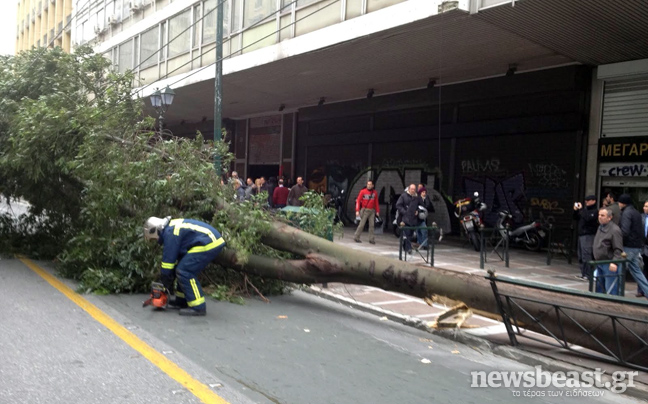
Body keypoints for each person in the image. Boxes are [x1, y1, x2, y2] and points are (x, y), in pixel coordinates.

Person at [143, 217, 226, 316]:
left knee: (185, 271)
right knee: (181, 267)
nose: (155, 241)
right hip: (207, 240)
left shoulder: (170, 233)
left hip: (209, 241)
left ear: (155, 230)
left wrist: (164, 282)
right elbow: (172, 263)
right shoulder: (170, 229)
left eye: (153, 238)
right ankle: (182, 300)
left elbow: (168, 262)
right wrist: (168, 278)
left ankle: (198, 307)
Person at [617, 194, 648, 298]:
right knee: (636, 271)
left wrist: (618, 242)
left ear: (623, 203)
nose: (618, 204)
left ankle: (618, 294)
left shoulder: (627, 213)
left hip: (628, 246)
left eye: (619, 202)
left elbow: (624, 231)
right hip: (636, 246)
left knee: (620, 269)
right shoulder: (636, 212)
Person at [592, 208, 623, 295]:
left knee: (611, 289)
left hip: (608, 262)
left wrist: (614, 262)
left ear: (609, 217)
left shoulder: (614, 230)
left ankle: (612, 306)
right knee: (599, 287)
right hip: (599, 261)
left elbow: (618, 248)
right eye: (599, 215)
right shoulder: (600, 227)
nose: (600, 217)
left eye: (602, 215)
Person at [572, 195, 598, 280]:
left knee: (587, 255)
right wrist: (576, 211)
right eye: (586, 200)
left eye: (588, 200)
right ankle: (583, 273)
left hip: (589, 235)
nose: (586, 202)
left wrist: (581, 210)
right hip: (581, 234)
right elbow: (576, 218)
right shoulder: (585, 210)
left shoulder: (594, 211)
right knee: (581, 255)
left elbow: (587, 218)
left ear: (593, 201)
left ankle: (588, 274)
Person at [396, 184, 422, 253]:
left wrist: (418, 211)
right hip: (405, 218)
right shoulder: (403, 196)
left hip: (413, 219)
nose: (413, 190)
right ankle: (408, 249)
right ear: (409, 189)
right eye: (412, 189)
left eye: (414, 189)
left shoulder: (417, 197)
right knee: (407, 233)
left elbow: (421, 206)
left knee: (410, 234)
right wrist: (405, 212)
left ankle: (406, 246)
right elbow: (398, 205)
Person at [353, 180, 380, 244]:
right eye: (368, 184)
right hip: (365, 210)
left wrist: (377, 211)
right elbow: (358, 201)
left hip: (372, 211)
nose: (369, 185)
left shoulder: (375, 193)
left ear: (372, 185)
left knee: (372, 225)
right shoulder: (363, 191)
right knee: (362, 224)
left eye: (370, 184)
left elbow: (376, 202)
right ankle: (356, 237)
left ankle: (371, 239)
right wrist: (357, 210)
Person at [641, 200, 648, 297]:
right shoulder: (641, 217)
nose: (645, 208)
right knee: (643, 268)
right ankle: (642, 290)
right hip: (643, 246)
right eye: (644, 206)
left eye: (647, 206)